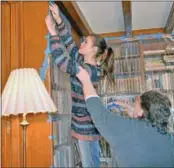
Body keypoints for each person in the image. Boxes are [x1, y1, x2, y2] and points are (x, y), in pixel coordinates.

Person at [45, 3, 115, 167]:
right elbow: (70, 44)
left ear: (94, 49)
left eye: (86, 42)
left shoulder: (88, 71)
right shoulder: (86, 65)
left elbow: (63, 62)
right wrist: (59, 20)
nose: (81, 42)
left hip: (86, 130)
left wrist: (53, 32)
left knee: (90, 165)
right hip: (84, 127)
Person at [76, 66, 174, 167]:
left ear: (142, 111)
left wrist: (85, 80)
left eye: (136, 102)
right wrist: (135, 113)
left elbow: (99, 113)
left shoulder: (130, 129)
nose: (133, 104)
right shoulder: (169, 136)